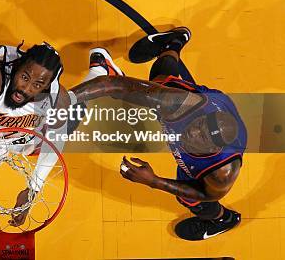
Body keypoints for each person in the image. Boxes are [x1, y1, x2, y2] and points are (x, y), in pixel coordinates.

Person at [70, 27, 246, 240]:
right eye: (199, 125)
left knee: (191, 199)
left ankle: (221, 219)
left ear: (214, 148)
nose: (193, 132)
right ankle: (174, 43)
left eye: (202, 137)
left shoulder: (221, 172)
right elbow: (112, 85)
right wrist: (65, 101)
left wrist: (154, 181)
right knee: (161, 81)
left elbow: (207, 193)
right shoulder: (182, 105)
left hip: (206, 165)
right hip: (213, 100)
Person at [0, 42, 123, 225]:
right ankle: (101, 73)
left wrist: (33, 190)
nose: (26, 88)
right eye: (24, 77)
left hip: (24, 134)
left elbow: (54, 145)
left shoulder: (54, 100)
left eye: (38, 84)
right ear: (17, 66)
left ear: (45, 87)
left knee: (68, 119)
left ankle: (101, 72)